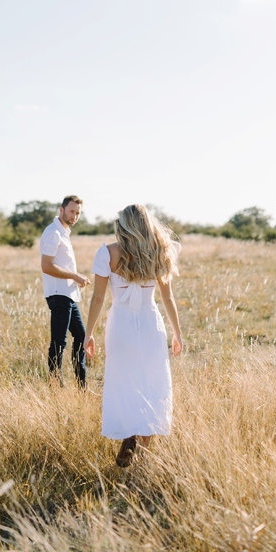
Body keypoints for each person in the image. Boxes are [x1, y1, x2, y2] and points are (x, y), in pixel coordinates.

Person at [84, 204, 183, 467]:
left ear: (123, 225)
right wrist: (177, 333)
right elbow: (167, 297)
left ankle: (128, 435)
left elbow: (97, 299)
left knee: (123, 382)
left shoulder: (107, 253)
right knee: (152, 383)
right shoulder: (159, 251)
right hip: (151, 324)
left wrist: (88, 334)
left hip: (121, 326)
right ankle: (144, 454)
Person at [40, 195, 90, 387]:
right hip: (58, 294)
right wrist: (75, 276)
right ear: (61, 210)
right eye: (71, 211)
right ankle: (56, 387)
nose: (74, 216)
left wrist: (74, 278)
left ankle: (81, 385)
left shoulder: (63, 233)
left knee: (81, 336)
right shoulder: (53, 232)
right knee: (59, 342)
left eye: (78, 213)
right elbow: (47, 266)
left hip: (68, 295)